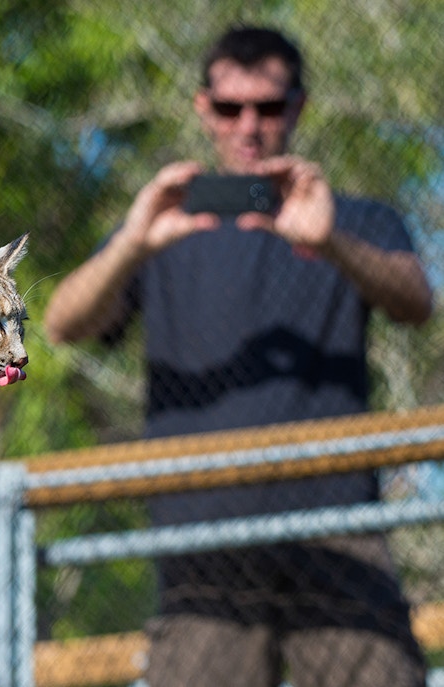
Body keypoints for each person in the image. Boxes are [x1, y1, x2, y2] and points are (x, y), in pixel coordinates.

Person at [43, 26, 433, 687]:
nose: (248, 126)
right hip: (203, 542)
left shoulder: (355, 218)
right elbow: (61, 322)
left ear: (299, 109)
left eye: (268, 107)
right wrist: (134, 243)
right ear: (204, 110)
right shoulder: (164, 230)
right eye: (230, 109)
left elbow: (417, 302)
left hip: (337, 526)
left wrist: (330, 239)